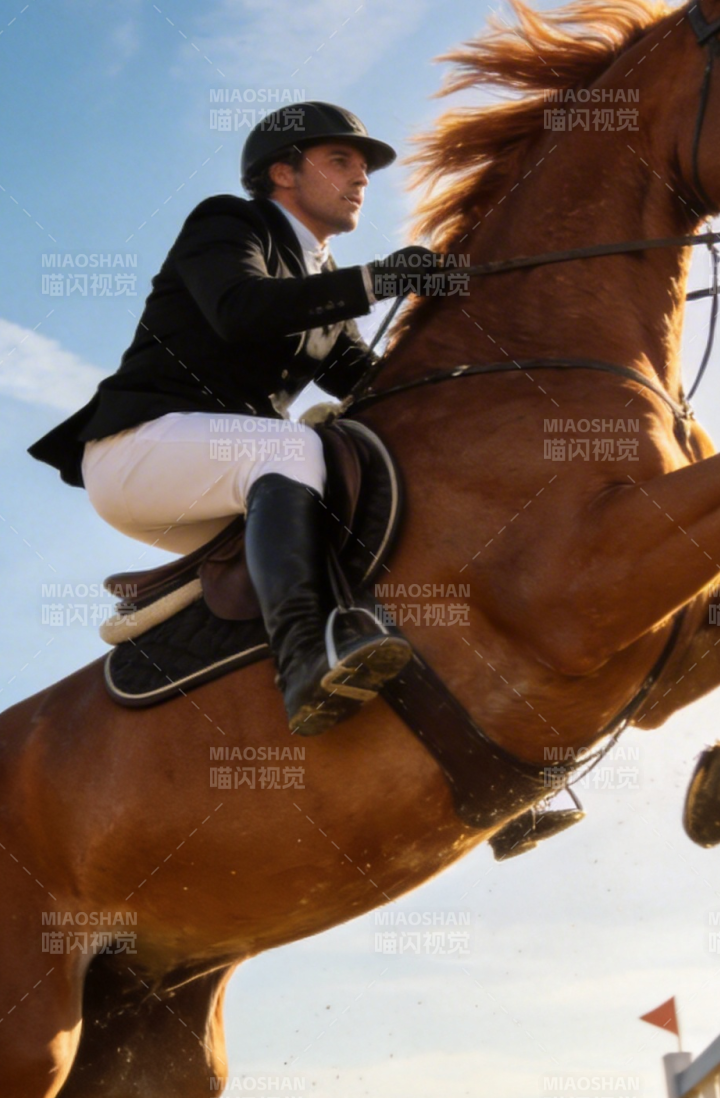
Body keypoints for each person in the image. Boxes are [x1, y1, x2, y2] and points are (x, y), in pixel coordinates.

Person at [29, 102, 447, 736]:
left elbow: (362, 378)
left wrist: (457, 336)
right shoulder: (230, 220)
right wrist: (381, 277)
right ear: (283, 173)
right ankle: (305, 658)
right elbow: (239, 308)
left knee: (357, 533)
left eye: (363, 168)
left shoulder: (325, 276)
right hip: (137, 450)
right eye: (341, 161)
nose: (361, 178)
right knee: (290, 447)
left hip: (221, 477)